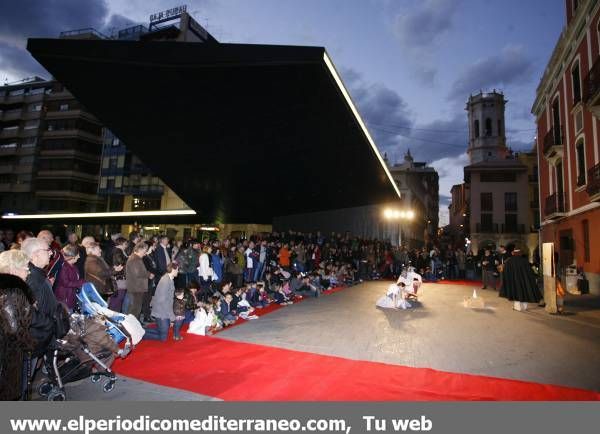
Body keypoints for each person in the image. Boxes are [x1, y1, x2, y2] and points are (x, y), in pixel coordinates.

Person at [0, 250, 35, 400]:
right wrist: (32, 345)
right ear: (13, 268)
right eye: (25, 267)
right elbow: (14, 330)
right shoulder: (11, 291)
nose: (28, 272)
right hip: (7, 354)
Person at [144, 263, 180, 342]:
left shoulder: (170, 279)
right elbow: (163, 301)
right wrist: (171, 316)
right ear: (173, 270)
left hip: (163, 310)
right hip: (160, 311)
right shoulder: (165, 281)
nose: (178, 271)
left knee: (161, 331)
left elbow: (169, 300)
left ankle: (143, 331)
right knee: (162, 338)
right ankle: (141, 333)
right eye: (177, 269)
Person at [126, 242, 153, 318]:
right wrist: (149, 274)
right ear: (140, 249)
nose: (145, 253)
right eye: (144, 251)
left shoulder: (135, 258)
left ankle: (133, 325)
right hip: (136, 288)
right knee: (135, 309)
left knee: (135, 308)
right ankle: (131, 327)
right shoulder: (135, 259)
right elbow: (138, 272)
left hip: (136, 287)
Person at [54, 244, 85, 311]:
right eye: (77, 255)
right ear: (72, 257)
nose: (79, 257)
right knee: (67, 316)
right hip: (64, 298)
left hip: (71, 296)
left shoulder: (73, 266)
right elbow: (66, 283)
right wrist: (81, 282)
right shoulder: (63, 267)